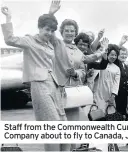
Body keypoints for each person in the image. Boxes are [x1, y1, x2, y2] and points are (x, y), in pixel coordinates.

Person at [1, 5, 69, 151]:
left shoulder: (50, 44)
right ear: (39, 28)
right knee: (52, 125)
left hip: (53, 84)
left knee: (63, 124)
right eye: (47, 30)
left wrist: (51, 14)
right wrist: (8, 18)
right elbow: (10, 39)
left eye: (52, 31)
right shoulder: (29, 41)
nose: (49, 33)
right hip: (39, 85)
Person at [93, 44, 121, 113]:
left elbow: (116, 83)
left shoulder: (117, 68)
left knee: (109, 115)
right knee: (98, 115)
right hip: (98, 93)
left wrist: (113, 96)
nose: (113, 57)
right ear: (107, 54)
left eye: (115, 55)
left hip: (109, 94)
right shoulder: (100, 64)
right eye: (112, 54)